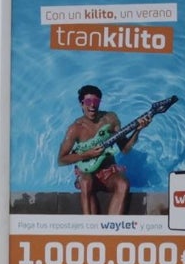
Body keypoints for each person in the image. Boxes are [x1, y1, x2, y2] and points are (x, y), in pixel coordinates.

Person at [57, 84, 150, 215]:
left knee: (123, 183)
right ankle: (89, 230)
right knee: (85, 182)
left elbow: (125, 149)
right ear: (81, 104)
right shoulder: (75, 129)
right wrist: (87, 154)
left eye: (96, 101)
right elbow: (61, 159)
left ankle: (112, 231)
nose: (92, 105)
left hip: (108, 173)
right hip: (88, 173)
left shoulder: (110, 120)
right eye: (88, 101)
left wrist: (138, 130)